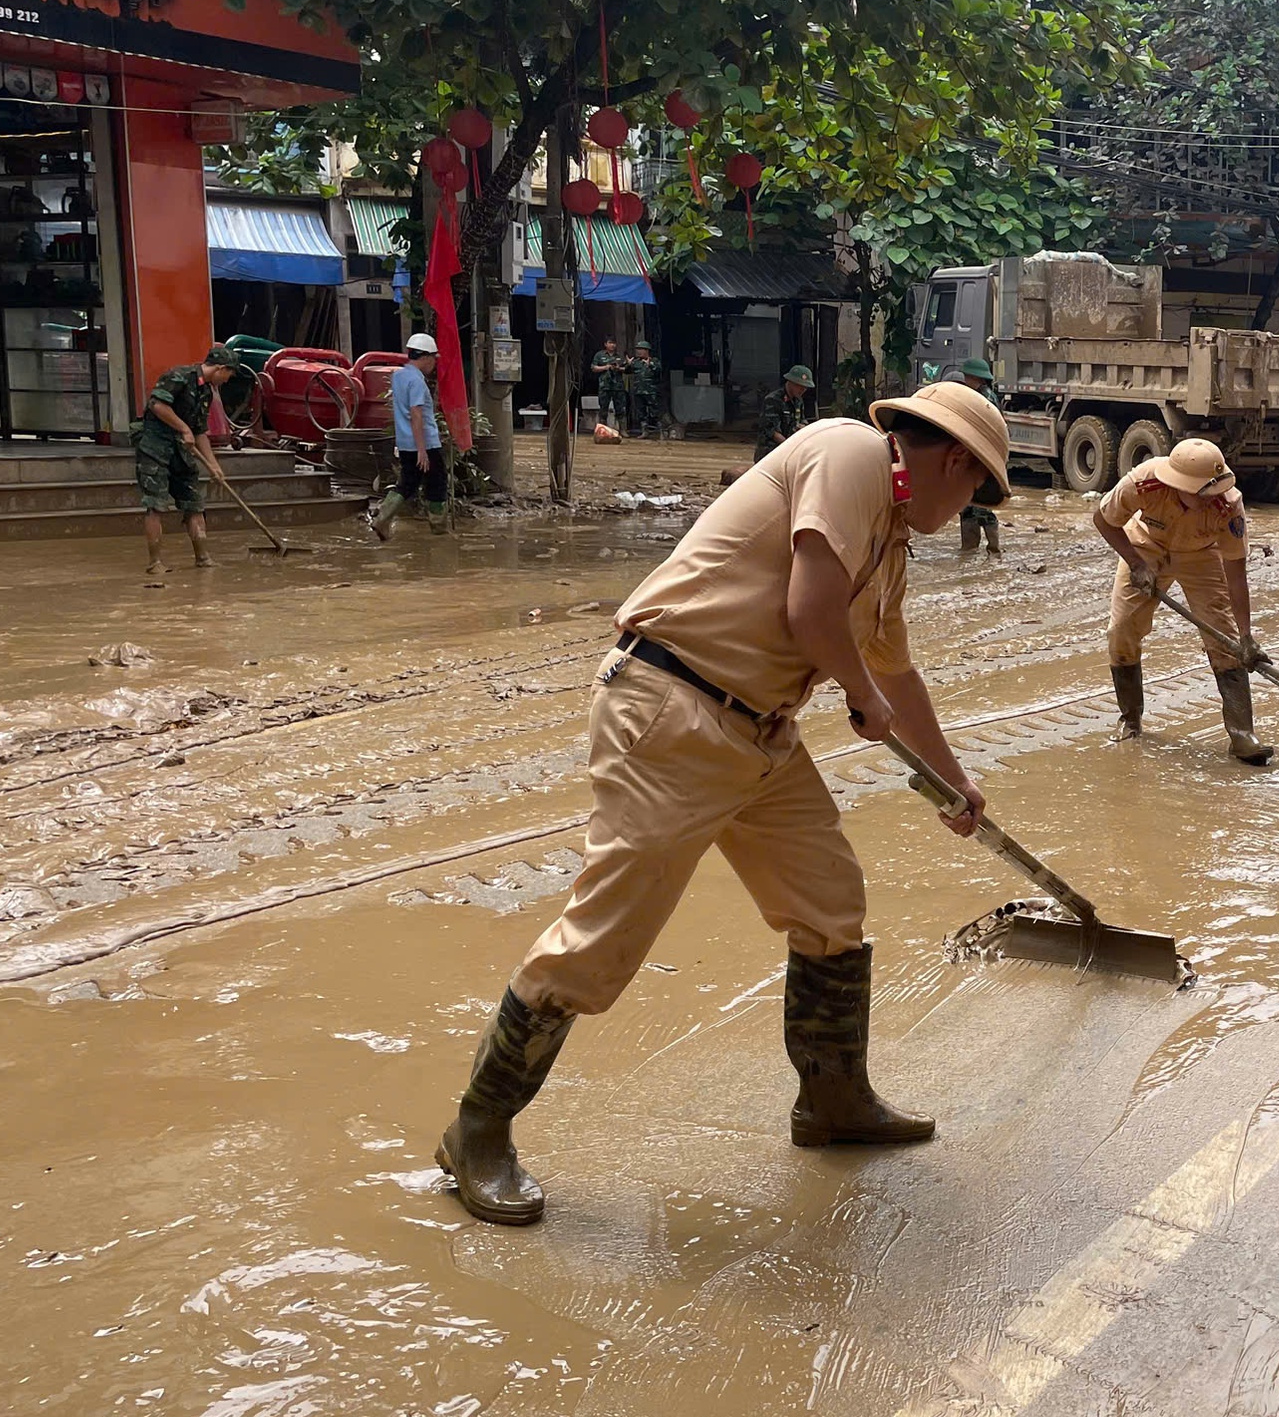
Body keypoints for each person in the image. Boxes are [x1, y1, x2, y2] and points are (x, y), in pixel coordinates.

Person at [433, 381, 1011, 1226]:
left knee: (830, 902)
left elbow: (893, 672)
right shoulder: (851, 453)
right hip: (672, 708)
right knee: (602, 943)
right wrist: (858, 693)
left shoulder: (887, 543)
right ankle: (476, 1131)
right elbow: (812, 613)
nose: (969, 506)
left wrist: (952, 780)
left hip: (760, 732)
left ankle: (833, 1100)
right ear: (953, 459)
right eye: (976, 489)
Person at [1093, 435, 1268, 764]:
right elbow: (1103, 518)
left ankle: (1243, 735)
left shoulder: (1229, 505)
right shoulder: (1143, 482)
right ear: (1178, 484)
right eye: (1200, 492)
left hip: (1200, 555)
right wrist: (1135, 563)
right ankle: (1130, 720)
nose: (1209, 498)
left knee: (1224, 639)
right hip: (1145, 546)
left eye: (1212, 490)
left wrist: (1246, 637)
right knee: (1122, 630)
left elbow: (1236, 575)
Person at [131, 346, 240, 574]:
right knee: (156, 504)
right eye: (229, 375)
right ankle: (155, 563)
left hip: (182, 450)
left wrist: (213, 465)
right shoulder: (178, 376)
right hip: (155, 447)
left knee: (194, 502)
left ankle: (203, 557)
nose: (227, 380)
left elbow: (200, 431)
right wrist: (183, 428)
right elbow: (157, 405)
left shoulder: (207, 393)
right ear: (220, 369)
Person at [370, 333, 449, 538]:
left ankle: (383, 518)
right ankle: (439, 530)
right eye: (432, 358)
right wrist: (422, 450)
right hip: (424, 443)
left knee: (408, 482)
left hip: (405, 442)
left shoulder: (399, 376)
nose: (433, 363)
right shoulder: (416, 382)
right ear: (424, 358)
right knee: (438, 483)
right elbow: (416, 414)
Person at [953, 359, 1004, 558]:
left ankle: (993, 550)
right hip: (977, 457)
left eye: (967, 377)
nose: (965, 381)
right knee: (968, 505)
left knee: (981, 506)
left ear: (975, 378)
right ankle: (970, 549)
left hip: (983, 458)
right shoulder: (979, 396)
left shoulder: (984, 400)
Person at [759, 364, 817, 454]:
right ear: (790, 382)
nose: (803, 390)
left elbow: (801, 419)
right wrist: (789, 446)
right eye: (800, 386)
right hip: (771, 451)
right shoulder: (773, 400)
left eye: (805, 387)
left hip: (789, 450)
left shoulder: (798, 400)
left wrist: (803, 427)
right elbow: (771, 431)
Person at [624, 339, 662, 436]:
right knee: (641, 412)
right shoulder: (636, 362)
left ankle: (661, 431)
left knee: (655, 411)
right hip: (638, 391)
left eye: (641, 349)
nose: (638, 351)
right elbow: (627, 371)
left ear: (647, 350)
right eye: (638, 349)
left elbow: (658, 372)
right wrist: (628, 364)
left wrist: (650, 365)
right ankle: (645, 431)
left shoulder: (654, 361)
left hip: (651, 391)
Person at [590, 338, 628, 431]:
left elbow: (626, 369)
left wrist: (619, 368)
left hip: (618, 386)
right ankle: (603, 430)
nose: (612, 345)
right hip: (605, 386)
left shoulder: (619, 356)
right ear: (605, 344)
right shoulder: (599, 355)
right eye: (610, 343)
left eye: (614, 343)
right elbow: (593, 368)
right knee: (603, 409)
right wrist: (606, 367)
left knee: (620, 409)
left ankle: (623, 430)